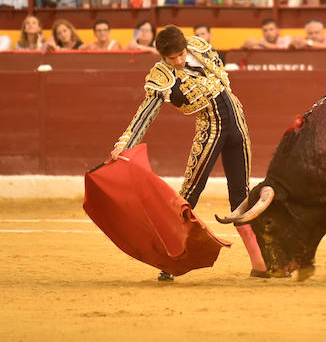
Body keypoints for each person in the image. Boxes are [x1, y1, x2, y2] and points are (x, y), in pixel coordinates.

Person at [110, 24, 270, 281]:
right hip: (211, 129)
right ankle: (169, 261)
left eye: (181, 54)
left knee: (241, 196)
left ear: (186, 47)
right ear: (163, 56)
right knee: (190, 192)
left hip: (237, 123)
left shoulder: (198, 46)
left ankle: (260, 264)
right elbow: (147, 111)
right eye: (172, 58)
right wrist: (125, 143)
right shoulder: (162, 76)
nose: (179, 61)